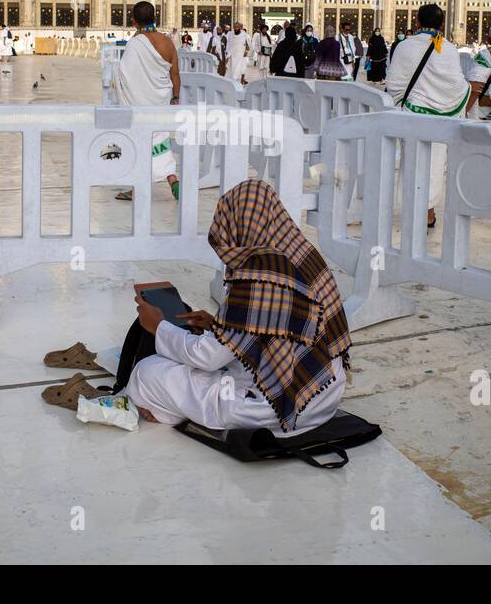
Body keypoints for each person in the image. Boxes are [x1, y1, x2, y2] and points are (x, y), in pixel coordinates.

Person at [121, 179, 350, 434]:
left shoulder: (257, 276)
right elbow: (277, 329)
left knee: (147, 372)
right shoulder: (304, 255)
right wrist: (218, 326)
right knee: (208, 363)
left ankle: (165, 411)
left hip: (275, 409)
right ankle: (174, 407)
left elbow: (208, 357)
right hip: (323, 396)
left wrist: (158, 326)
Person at [386, 3, 474, 228]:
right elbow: (457, 86)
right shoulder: (449, 49)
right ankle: (428, 212)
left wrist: (410, 101)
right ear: (442, 23)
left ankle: (412, 210)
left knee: (412, 161)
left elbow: (394, 84)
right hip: (440, 120)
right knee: (435, 165)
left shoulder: (404, 46)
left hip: (411, 116)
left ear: (417, 22)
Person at [113, 1, 180, 201]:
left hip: (140, 105)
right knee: (161, 142)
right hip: (160, 101)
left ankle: (137, 189)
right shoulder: (167, 42)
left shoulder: (135, 44)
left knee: (140, 143)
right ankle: (173, 180)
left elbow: (124, 75)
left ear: (133, 21)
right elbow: (175, 74)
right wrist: (175, 97)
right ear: (155, 18)